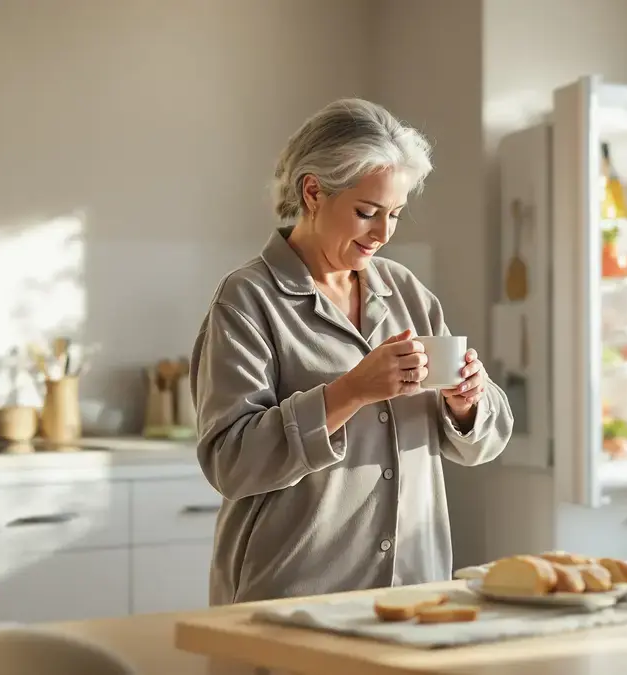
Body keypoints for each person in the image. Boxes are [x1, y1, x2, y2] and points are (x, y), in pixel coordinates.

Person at [190, 98, 514, 606]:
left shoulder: (407, 292)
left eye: (395, 215)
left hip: (416, 591)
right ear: (313, 191)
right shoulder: (248, 299)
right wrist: (350, 391)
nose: (383, 234)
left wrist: (468, 402)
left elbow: (483, 444)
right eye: (367, 213)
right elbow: (231, 462)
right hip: (294, 596)